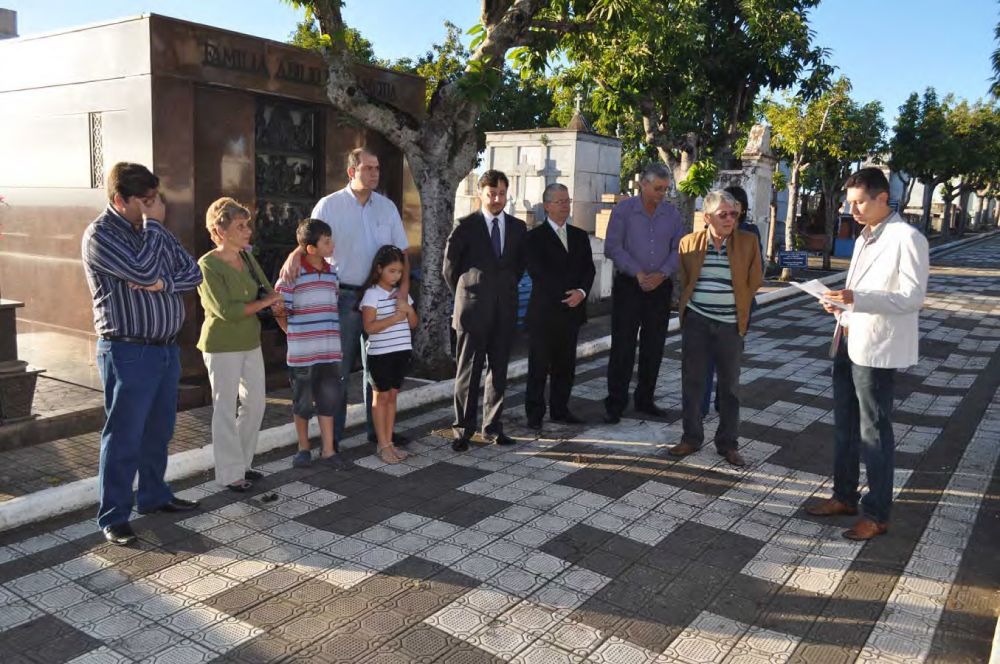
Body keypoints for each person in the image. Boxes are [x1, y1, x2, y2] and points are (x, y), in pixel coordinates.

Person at [81, 162, 202, 545]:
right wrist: (154, 229)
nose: (155, 205)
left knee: (159, 431)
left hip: (165, 350)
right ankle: (114, 515)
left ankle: (153, 496)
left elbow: (193, 274)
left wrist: (161, 283)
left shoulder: (153, 231)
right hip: (127, 351)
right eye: (146, 200)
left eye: (155, 199)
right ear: (120, 199)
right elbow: (143, 270)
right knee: (124, 436)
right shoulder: (101, 235)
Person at [806, 168, 929, 540]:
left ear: (882, 198)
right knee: (844, 425)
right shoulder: (864, 237)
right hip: (848, 337)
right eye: (850, 202)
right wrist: (839, 304)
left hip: (876, 347)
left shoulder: (907, 238)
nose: (852, 210)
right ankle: (844, 496)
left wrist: (858, 299)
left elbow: (912, 298)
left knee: (874, 432)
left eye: (859, 202)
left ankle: (877, 514)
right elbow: (857, 293)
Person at [280, 147, 411, 450]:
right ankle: (333, 440)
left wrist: (403, 292)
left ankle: (378, 434)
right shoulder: (329, 206)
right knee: (337, 373)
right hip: (343, 298)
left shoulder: (387, 208)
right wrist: (294, 255)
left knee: (377, 369)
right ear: (352, 172)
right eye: (368, 168)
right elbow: (309, 242)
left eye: (377, 168)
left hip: (381, 298)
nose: (375, 173)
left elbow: (402, 252)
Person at [668, 190, 763, 467]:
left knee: (730, 387)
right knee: (693, 382)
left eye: (734, 214)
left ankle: (728, 444)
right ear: (707, 217)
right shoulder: (689, 243)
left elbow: (755, 279)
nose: (730, 219)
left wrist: (736, 304)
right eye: (724, 214)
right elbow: (685, 278)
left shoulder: (748, 242)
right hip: (697, 321)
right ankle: (691, 438)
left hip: (731, 324)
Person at [196, 198, 283, 492]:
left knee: (256, 403)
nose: (248, 231)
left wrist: (275, 300)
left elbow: (266, 290)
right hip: (222, 345)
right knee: (224, 407)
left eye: (247, 225)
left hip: (250, 340)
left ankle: (243, 464)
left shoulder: (246, 257)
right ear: (220, 231)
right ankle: (230, 473)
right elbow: (226, 311)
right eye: (240, 226)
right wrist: (266, 302)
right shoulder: (207, 265)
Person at [443, 169, 527, 451]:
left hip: (505, 310)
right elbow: (450, 269)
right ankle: (463, 430)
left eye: (502, 193)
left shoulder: (517, 227)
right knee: (469, 370)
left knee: (499, 370)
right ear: (481, 193)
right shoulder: (465, 226)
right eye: (492, 194)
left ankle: (492, 426)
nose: (497, 199)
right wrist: (468, 293)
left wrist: (504, 288)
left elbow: (518, 265)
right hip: (472, 311)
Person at [603, 162, 684, 424]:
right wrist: (637, 273)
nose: (662, 194)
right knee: (623, 346)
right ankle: (616, 402)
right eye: (658, 188)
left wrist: (662, 274)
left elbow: (679, 249)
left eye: (665, 189)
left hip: (660, 288)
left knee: (654, 346)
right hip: (629, 286)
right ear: (643, 184)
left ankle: (645, 399)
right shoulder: (623, 211)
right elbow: (612, 246)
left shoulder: (672, 214)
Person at [275, 219, 351, 470]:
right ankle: (303, 448)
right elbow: (279, 309)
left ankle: (328, 450)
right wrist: (290, 332)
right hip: (302, 355)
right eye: (326, 242)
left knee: (328, 401)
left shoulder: (332, 273)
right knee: (303, 403)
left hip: (329, 353)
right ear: (311, 248)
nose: (332, 245)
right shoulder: (292, 275)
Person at [523, 183, 596, 429]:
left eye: (567, 201)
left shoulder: (579, 235)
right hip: (544, 313)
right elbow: (539, 273)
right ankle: (534, 414)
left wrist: (581, 293)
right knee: (538, 366)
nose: (565, 206)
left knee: (565, 366)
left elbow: (588, 269)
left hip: (572, 312)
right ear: (547, 206)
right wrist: (566, 294)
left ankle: (560, 409)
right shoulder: (534, 237)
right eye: (560, 201)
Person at [702, 185, 763, 417]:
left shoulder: (750, 234)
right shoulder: (708, 232)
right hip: (707, 309)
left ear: (742, 208)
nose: (729, 213)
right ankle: (700, 406)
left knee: (729, 361)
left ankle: (724, 403)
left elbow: (756, 273)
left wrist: (739, 298)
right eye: (724, 208)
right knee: (704, 360)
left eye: (734, 206)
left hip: (737, 309)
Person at [359, 245, 418, 464]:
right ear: (379, 269)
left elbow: (413, 324)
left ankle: (390, 442)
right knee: (380, 398)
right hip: (380, 355)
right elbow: (369, 327)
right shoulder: (371, 294)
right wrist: (395, 318)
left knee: (392, 397)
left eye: (399, 272)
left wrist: (408, 309)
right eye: (391, 271)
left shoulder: (402, 295)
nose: (396, 276)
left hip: (401, 353)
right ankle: (382, 444)